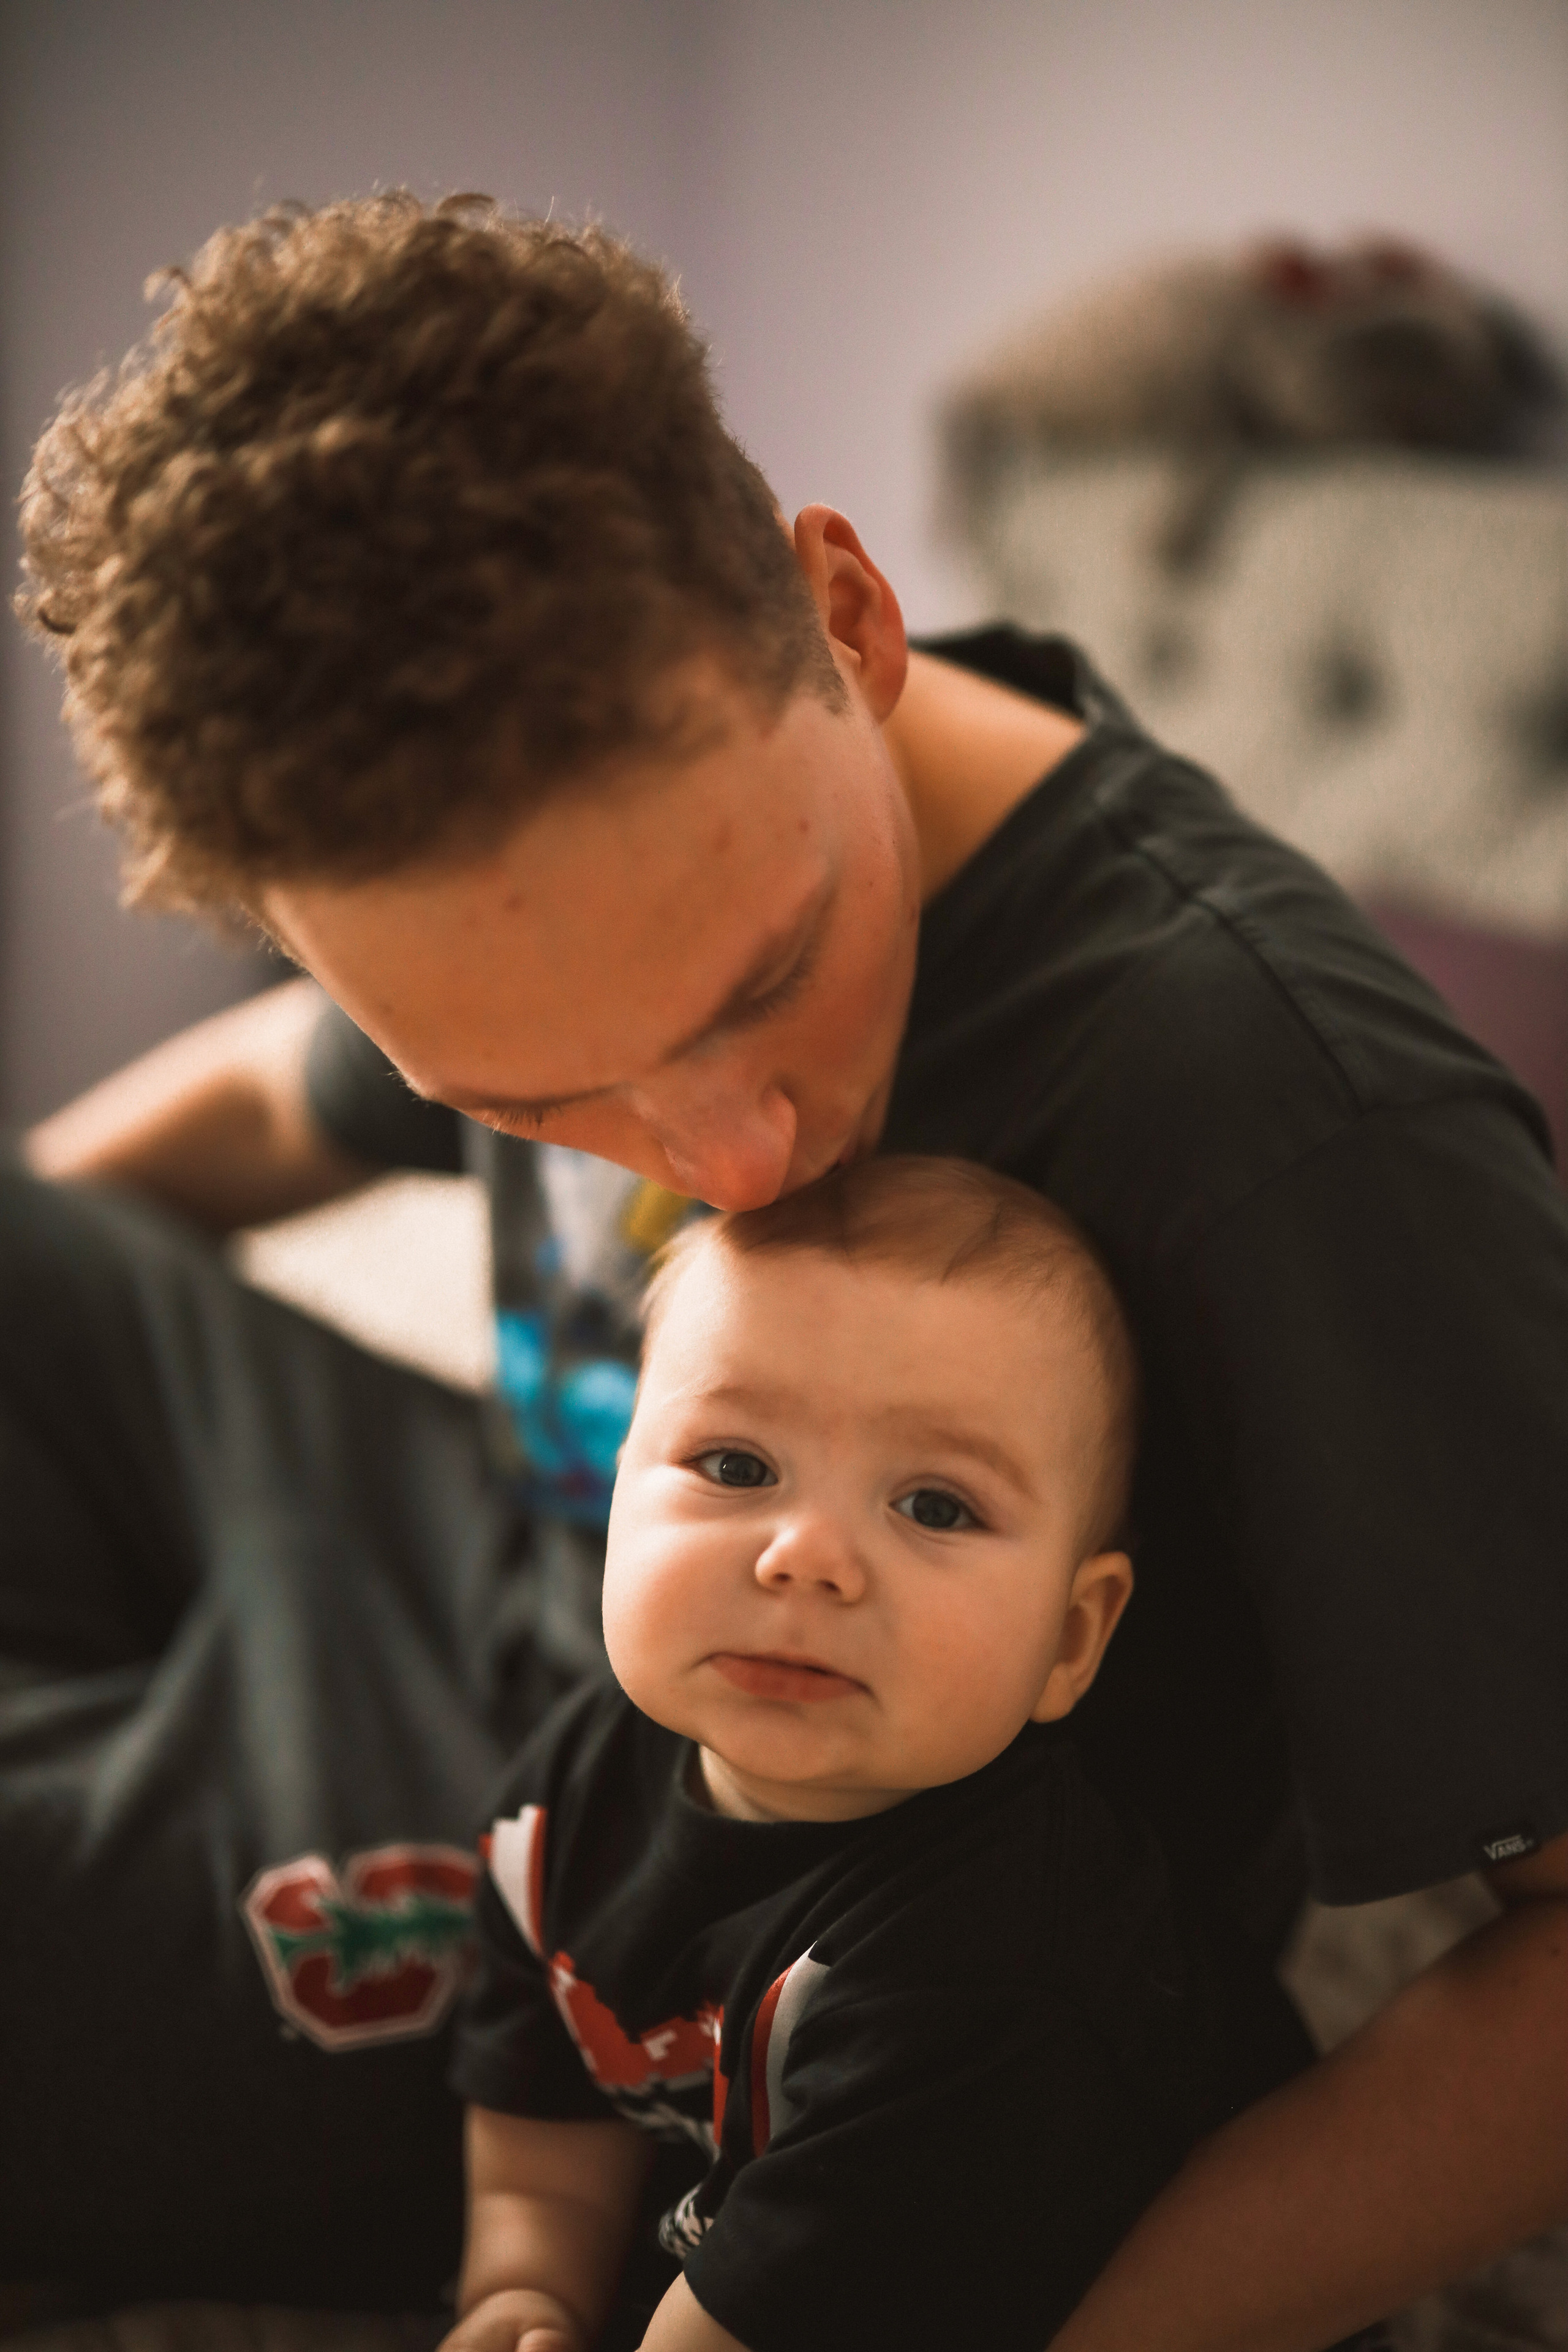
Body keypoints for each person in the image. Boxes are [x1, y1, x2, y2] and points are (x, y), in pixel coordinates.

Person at [6, 190, 1566, 2350]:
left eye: (769, 980)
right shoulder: (574, 855)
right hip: (482, 1527)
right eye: (541, 1097)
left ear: (848, 608)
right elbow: (291, 1104)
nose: (734, 1160)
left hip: (653, 1869)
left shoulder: (1291, 1123)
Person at [444, 1153, 1348, 2352]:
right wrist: (524, 2285)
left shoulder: (995, 1975)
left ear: (1071, 1641)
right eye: (734, 1467)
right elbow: (537, 2094)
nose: (806, 1555)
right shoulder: (577, 1783)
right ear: (615, 1504)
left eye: (933, 1505)